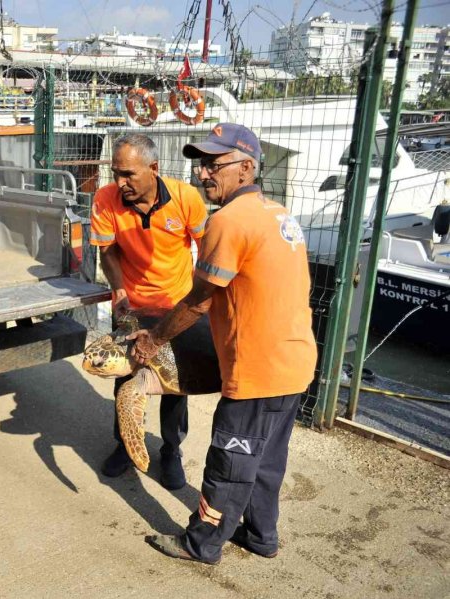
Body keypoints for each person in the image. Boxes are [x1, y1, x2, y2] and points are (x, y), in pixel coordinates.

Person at [131, 123, 317, 564]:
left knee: (230, 463)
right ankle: (260, 535)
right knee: (267, 459)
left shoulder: (228, 222)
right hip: (296, 360)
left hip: (259, 369)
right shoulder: (279, 214)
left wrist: (153, 340)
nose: (202, 174)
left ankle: (202, 543)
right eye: (201, 164)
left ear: (247, 167)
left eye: (215, 165)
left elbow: (197, 301)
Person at [90, 133, 208, 489]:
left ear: (153, 169)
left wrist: (202, 302)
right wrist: (120, 290)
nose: (120, 182)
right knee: (126, 377)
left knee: (175, 383)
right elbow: (107, 251)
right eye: (116, 173)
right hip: (131, 302)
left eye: (128, 174)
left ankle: (171, 450)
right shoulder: (106, 199)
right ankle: (125, 445)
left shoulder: (186, 198)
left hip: (176, 304)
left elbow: (210, 249)